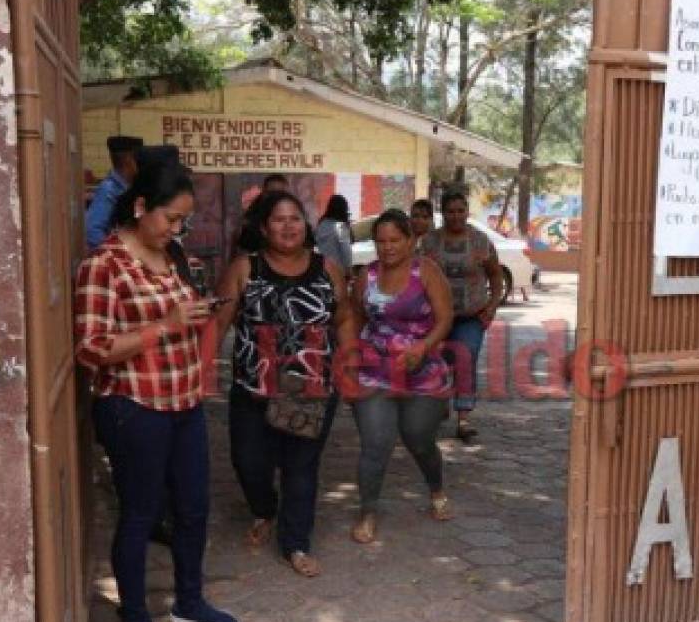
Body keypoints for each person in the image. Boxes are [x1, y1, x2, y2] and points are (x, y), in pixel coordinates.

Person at [74, 149, 238, 622]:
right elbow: (91, 348)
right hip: (134, 408)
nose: (176, 228)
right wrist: (165, 326)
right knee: (141, 515)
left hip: (184, 401)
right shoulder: (104, 265)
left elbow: (175, 314)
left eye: (182, 220)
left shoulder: (172, 257)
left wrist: (194, 314)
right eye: (170, 218)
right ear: (141, 205)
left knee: (192, 507)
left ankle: (190, 601)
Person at [213, 190, 355, 577]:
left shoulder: (327, 269)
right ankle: (263, 509)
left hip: (310, 388)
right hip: (252, 388)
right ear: (263, 227)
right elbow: (218, 322)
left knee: (301, 467)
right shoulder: (246, 267)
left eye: (295, 218)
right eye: (279, 219)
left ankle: (296, 543)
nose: (288, 226)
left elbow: (343, 318)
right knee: (248, 462)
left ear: (305, 225)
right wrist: (200, 370)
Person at [348, 209, 454, 544]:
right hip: (376, 372)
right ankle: (367, 512)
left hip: (423, 372)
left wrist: (423, 347)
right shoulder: (368, 275)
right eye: (381, 241)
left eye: (395, 240)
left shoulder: (426, 271)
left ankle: (436, 489)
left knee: (418, 438)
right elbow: (355, 315)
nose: (388, 247)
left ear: (410, 240)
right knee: (375, 443)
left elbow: (445, 317)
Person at [417, 191, 504, 442]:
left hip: (471, 316)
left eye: (460, 210)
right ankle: (437, 407)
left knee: (466, 360)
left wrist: (492, 307)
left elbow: (495, 276)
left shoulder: (481, 241)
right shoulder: (430, 242)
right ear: (442, 214)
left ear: (467, 212)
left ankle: (464, 419)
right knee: (437, 364)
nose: (456, 216)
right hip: (436, 318)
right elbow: (419, 276)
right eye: (450, 211)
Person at [85, 135, 143, 250]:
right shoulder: (109, 190)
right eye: (140, 159)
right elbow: (92, 230)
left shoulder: (126, 187)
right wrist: (117, 253)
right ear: (129, 161)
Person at [235, 173, 290, 255]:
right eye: (272, 192)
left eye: (280, 193)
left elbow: (309, 247)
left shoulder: (295, 213)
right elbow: (243, 251)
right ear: (264, 192)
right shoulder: (251, 219)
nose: (275, 197)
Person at [315, 193, 353, 272]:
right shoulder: (340, 226)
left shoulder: (321, 224)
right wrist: (349, 270)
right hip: (337, 270)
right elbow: (346, 250)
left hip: (322, 268)